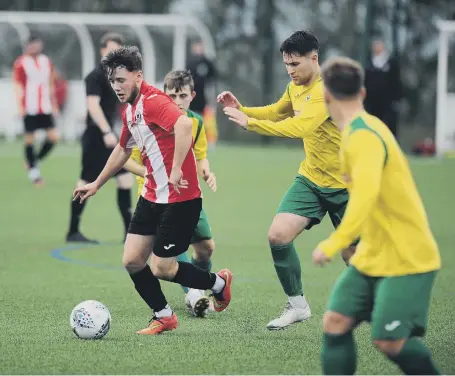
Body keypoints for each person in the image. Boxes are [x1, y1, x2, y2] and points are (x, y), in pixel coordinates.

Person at [73, 46, 232, 335]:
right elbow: (123, 149)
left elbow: (185, 125)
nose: (116, 87)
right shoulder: (130, 109)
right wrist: (96, 183)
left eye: (122, 80)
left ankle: (219, 284)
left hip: (180, 199)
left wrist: (175, 170)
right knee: (132, 260)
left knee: (162, 268)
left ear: (138, 75)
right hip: (151, 196)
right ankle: (164, 315)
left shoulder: (154, 101)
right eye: (112, 81)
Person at [218, 30, 355, 330]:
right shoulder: (295, 87)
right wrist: (242, 110)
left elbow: (299, 128)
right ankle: (297, 305)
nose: (290, 70)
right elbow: (278, 112)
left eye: (295, 64)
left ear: (314, 59)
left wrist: (250, 124)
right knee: (278, 236)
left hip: (347, 186)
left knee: (354, 258)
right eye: (286, 65)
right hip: (311, 179)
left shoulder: (325, 91)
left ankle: (386, 309)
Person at [313, 56, 441, 375]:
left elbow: (365, 199)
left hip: (406, 257)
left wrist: (335, 242)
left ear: (326, 96)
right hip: (373, 254)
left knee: (389, 340)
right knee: (336, 322)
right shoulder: (360, 129)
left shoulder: (364, 137)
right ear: (363, 93)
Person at [124, 69, 217, 317]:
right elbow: (127, 159)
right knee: (170, 249)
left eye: (182, 96)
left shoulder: (194, 123)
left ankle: (208, 283)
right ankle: (194, 294)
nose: (176, 101)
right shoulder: (149, 120)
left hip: (187, 195)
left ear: (192, 96)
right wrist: (151, 173)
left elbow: (200, 156)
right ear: (163, 95)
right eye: (171, 96)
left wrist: (207, 172)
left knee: (206, 248)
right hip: (155, 198)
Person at [66, 32, 133, 244]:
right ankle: (73, 231)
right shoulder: (95, 76)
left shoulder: (116, 78)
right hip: (96, 138)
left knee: (125, 179)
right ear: (102, 51)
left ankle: (129, 234)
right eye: (111, 50)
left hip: (110, 137)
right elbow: (93, 107)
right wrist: (106, 131)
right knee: (85, 181)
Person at [13, 35, 59, 185]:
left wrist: (54, 105)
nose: (35, 48)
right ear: (27, 46)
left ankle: (34, 161)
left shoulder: (46, 61)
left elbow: (51, 84)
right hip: (30, 107)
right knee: (30, 140)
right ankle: (35, 175)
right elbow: (18, 85)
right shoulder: (21, 63)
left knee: (53, 137)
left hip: (45, 106)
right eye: (32, 45)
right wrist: (20, 106)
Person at [364, 39, 402, 138]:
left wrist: (397, 99)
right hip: (372, 102)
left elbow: (396, 82)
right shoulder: (369, 64)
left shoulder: (391, 63)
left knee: (389, 125)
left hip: (388, 102)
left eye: (379, 46)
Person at [186, 40, 218, 148]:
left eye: (200, 47)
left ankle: (210, 142)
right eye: (196, 47)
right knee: (193, 119)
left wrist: (212, 98)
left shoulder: (207, 63)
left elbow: (213, 80)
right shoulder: (190, 63)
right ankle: (193, 141)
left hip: (206, 98)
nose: (198, 49)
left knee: (208, 121)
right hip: (193, 97)